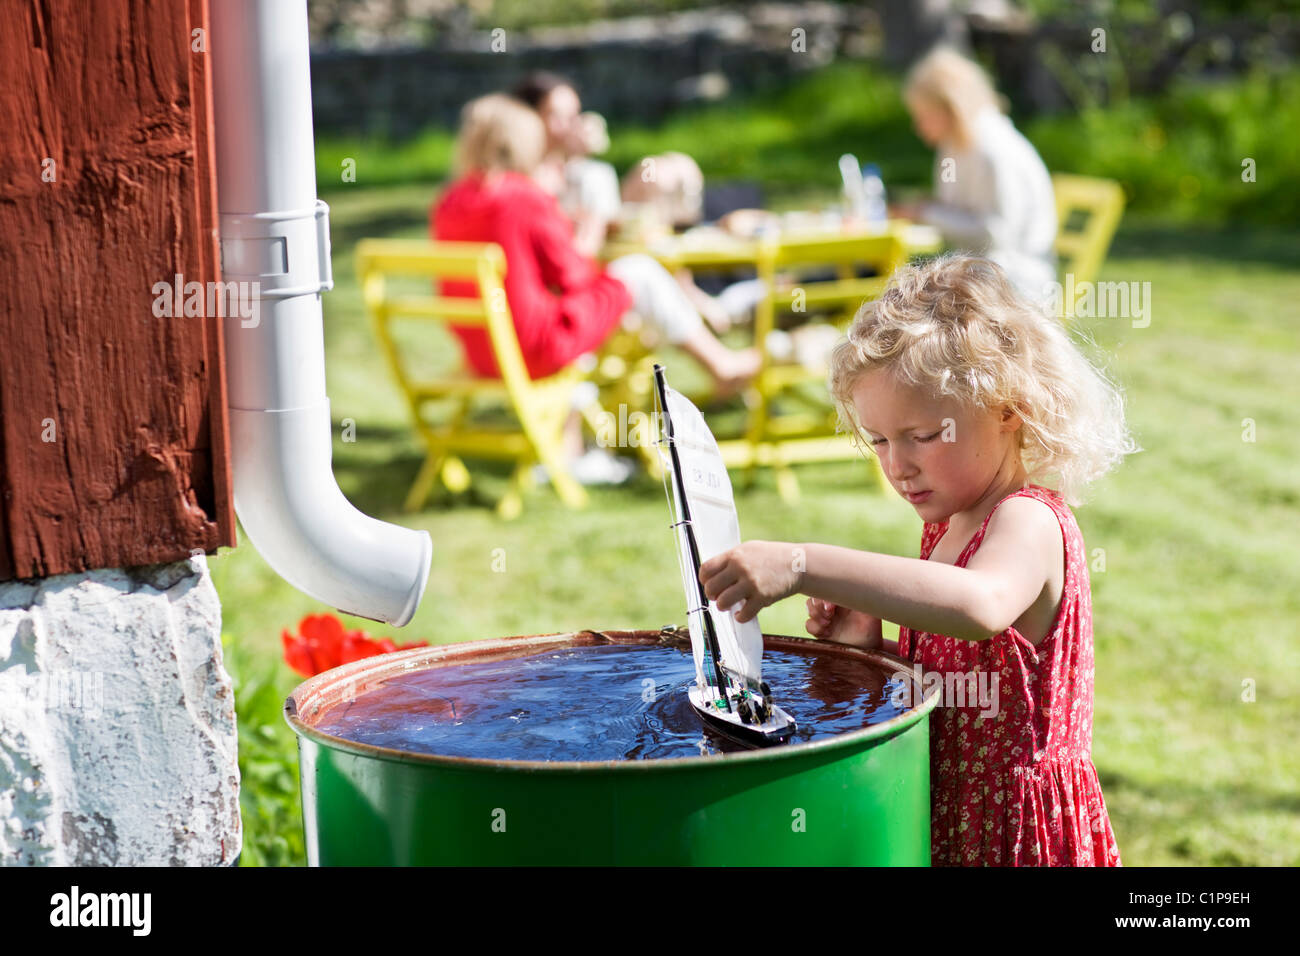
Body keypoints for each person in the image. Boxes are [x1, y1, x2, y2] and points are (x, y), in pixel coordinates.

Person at [697, 255, 1137, 866]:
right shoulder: (947, 530)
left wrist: (802, 565)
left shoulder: (1028, 519)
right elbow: (943, 689)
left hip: (1016, 834)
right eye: (878, 440)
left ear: (1008, 408)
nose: (897, 464)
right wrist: (872, 649)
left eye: (924, 436)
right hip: (948, 810)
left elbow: (978, 606)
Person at [431, 94, 761, 479]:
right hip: (536, 347)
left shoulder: (451, 200)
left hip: (482, 348)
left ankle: (578, 444)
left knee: (621, 290)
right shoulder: (522, 198)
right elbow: (573, 274)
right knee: (637, 271)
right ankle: (720, 364)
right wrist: (589, 232)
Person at [896, 46, 1058, 301]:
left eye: (924, 116)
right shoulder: (955, 145)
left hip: (1015, 281)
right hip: (980, 270)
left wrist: (925, 213)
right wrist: (925, 208)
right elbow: (959, 208)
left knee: (914, 299)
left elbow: (995, 234)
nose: (918, 127)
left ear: (951, 108)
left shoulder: (994, 150)